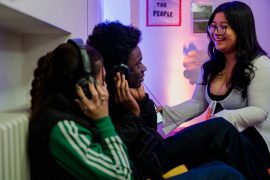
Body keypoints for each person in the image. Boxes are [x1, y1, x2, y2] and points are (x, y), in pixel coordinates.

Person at [87, 21, 269, 179]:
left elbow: (150, 128)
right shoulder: (107, 101)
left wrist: (143, 102)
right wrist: (133, 114)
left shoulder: (129, 93)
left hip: (155, 149)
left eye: (224, 27)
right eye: (137, 64)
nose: (144, 68)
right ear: (120, 71)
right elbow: (132, 150)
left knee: (225, 134)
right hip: (152, 159)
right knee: (220, 129)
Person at [161, 0, 270, 172]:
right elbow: (197, 103)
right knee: (197, 151)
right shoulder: (210, 67)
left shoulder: (260, 64)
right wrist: (163, 114)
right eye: (212, 26)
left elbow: (260, 111)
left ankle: (153, 160)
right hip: (222, 137)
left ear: (241, 29)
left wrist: (223, 119)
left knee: (212, 133)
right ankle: (153, 160)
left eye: (223, 27)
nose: (215, 33)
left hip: (254, 145)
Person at [27, 39, 133, 180]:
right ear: (85, 86)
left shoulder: (72, 113)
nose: (106, 88)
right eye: (103, 81)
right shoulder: (63, 128)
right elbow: (123, 176)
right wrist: (103, 120)